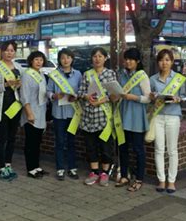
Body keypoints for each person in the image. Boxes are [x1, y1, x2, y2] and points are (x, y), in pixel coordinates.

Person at [112, 48, 150, 192]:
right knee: (123, 148)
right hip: (122, 116)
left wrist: (133, 97)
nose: (128, 62)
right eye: (126, 59)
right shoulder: (121, 75)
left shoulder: (142, 76)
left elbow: (148, 98)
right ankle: (124, 176)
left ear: (137, 61)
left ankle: (139, 179)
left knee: (138, 150)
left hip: (136, 118)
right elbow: (117, 93)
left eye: (131, 59)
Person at [77, 47, 117, 187]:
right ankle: (94, 172)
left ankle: (105, 173)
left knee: (106, 147)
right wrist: (86, 96)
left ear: (105, 58)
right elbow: (80, 92)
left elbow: (114, 94)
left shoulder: (110, 74)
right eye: (95, 56)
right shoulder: (87, 74)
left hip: (104, 116)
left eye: (100, 56)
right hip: (88, 117)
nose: (97, 59)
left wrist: (103, 100)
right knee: (91, 146)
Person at [149, 49, 186, 194]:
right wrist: (152, 97)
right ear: (157, 62)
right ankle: (161, 180)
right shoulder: (152, 79)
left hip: (173, 116)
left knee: (172, 150)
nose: (164, 63)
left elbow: (183, 96)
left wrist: (179, 98)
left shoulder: (178, 78)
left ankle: (171, 181)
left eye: (167, 60)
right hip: (157, 117)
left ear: (171, 62)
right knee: (159, 149)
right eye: (161, 60)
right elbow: (149, 99)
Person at [0, 41, 23, 181]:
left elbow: (21, 85)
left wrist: (18, 85)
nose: (9, 53)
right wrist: (6, 84)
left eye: (12, 50)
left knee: (12, 137)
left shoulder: (18, 66)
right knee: (2, 137)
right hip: (2, 106)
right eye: (7, 50)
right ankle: (1, 167)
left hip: (15, 106)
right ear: (2, 51)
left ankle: (8, 164)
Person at [47, 48, 82, 181]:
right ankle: (60, 168)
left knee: (72, 141)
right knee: (60, 141)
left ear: (72, 59)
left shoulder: (78, 74)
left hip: (73, 113)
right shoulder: (54, 74)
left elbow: (81, 90)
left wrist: (77, 96)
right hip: (58, 113)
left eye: (68, 57)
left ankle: (72, 168)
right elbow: (48, 91)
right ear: (59, 60)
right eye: (62, 58)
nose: (65, 60)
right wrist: (54, 96)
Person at [20, 51, 48, 178]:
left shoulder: (41, 74)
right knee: (31, 142)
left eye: (41, 60)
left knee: (37, 141)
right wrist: (29, 113)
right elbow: (24, 95)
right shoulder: (27, 75)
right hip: (30, 112)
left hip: (41, 112)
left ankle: (37, 166)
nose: (39, 62)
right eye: (36, 59)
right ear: (31, 61)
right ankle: (30, 168)